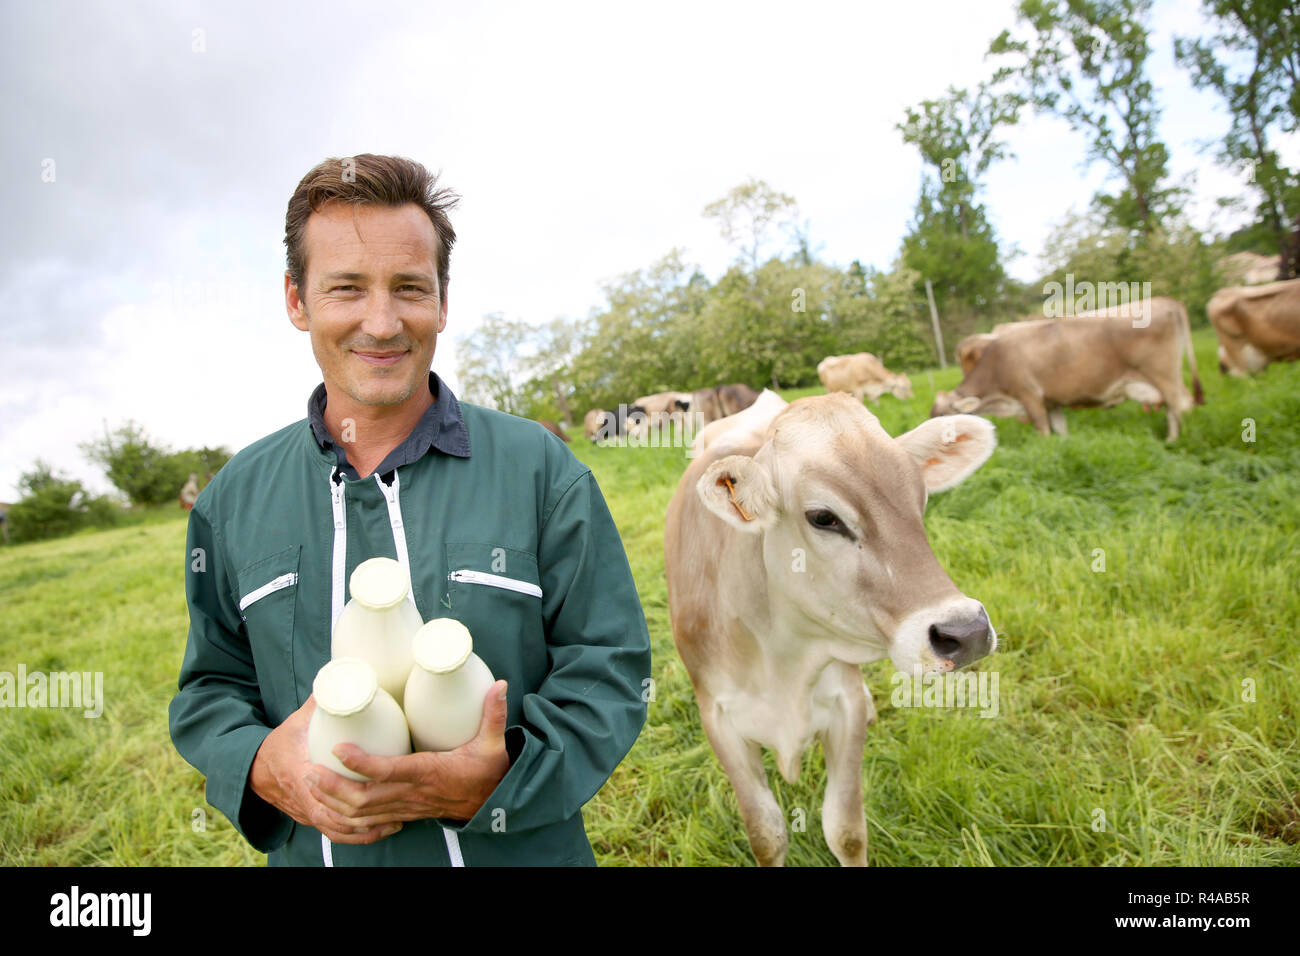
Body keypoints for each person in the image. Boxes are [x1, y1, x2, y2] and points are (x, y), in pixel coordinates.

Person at [168, 154, 652, 866]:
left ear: (443, 301)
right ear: (297, 301)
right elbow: (211, 686)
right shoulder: (231, 503)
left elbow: (610, 667)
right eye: (346, 289)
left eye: (409, 288)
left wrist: (508, 771)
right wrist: (263, 762)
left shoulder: (541, 471)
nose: (383, 322)